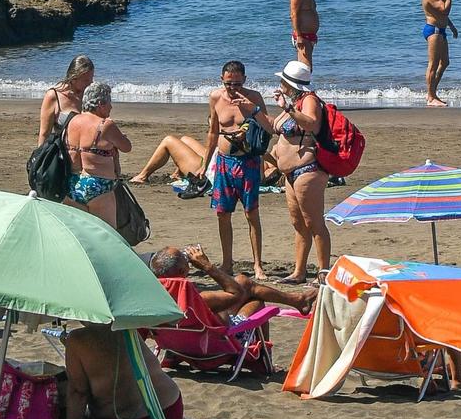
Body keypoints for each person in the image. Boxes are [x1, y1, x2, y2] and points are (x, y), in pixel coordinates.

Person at [200, 60, 271, 277]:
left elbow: (269, 128)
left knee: (251, 213)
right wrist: (204, 165)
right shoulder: (215, 98)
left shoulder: (254, 98)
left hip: (248, 161)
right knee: (223, 214)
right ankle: (227, 262)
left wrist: (253, 110)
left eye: (238, 84)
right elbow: (213, 132)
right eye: (230, 84)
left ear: (245, 81)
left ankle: (257, 265)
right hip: (223, 162)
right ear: (222, 80)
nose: (233, 89)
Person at [59, 321, 185, 419]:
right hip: (171, 413)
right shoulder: (126, 324)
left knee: (88, 412)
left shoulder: (76, 339)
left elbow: (78, 392)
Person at [269, 61, 331, 284]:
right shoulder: (294, 103)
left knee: (314, 223)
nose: (280, 83)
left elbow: (312, 124)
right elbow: (277, 128)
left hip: (308, 170)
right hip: (291, 173)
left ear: (290, 83)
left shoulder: (309, 100)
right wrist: (254, 110)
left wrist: (287, 109)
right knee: (298, 223)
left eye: (283, 80)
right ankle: (299, 271)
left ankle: (323, 273)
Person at [149, 243, 308, 316]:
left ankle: (297, 300)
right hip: (213, 348)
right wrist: (206, 266)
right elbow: (236, 294)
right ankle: (260, 361)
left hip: (179, 345)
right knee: (256, 302)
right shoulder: (195, 299)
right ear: (183, 270)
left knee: (243, 280)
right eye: (185, 257)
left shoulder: (152, 299)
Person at [64, 80, 131, 226]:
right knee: (108, 235)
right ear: (100, 104)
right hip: (98, 185)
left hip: (73, 183)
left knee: (83, 233)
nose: (111, 107)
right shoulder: (105, 124)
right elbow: (126, 147)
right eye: (109, 103)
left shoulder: (72, 121)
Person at [36, 53, 94, 144]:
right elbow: (44, 134)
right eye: (86, 80)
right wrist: (40, 156)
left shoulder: (90, 95)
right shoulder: (54, 96)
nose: (90, 83)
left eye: (91, 79)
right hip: (64, 152)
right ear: (73, 77)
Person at [421, 0, 457, 106]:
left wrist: (452, 27)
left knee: (445, 62)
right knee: (433, 64)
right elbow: (444, 10)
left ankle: (432, 93)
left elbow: (443, 16)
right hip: (433, 30)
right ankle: (431, 97)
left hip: (441, 30)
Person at [130, 130, 209, 192]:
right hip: (214, 161)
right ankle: (177, 174)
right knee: (185, 139)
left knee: (168, 140)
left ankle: (142, 176)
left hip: (210, 171)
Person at [290, 0, 322, 68]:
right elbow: (294, 15)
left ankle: (299, 84)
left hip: (309, 36)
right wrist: (299, 36)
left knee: (305, 68)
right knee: (306, 68)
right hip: (303, 36)